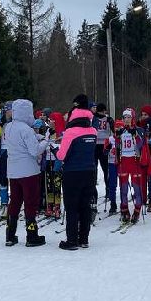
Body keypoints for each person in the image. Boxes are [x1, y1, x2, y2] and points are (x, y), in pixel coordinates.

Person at [3, 99, 49, 247]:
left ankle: (10, 234)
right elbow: (35, 150)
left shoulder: (8, 127)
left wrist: (37, 137)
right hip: (29, 171)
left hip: (13, 171)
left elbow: (21, 142)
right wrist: (46, 141)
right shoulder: (26, 129)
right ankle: (32, 235)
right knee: (30, 202)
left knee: (15, 201)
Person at [58, 102, 97, 250]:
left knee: (72, 207)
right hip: (90, 171)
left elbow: (62, 155)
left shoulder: (70, 132)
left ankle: (72, 240)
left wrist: (55, 150)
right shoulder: (93, 131)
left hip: (73, 173)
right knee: (85, 206)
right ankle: (84, 239)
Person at [117, 108, 150, 223]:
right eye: (124, 117)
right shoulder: (121, 130)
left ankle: (137, 210)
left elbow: (140, 145)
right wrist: (117, 137)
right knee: (123, 188)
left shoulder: (139, 130)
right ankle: (124, 209)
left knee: (137, 188)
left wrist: (135, 135)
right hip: (123, 162)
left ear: (133, 118)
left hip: (135, 162)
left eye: (129, 117)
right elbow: (117, 146)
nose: (126, 119)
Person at [92, 102, 114, 210]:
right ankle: (98, 189)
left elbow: (113, 131)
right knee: (100, 168)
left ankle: (107, 189)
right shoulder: (95, 118)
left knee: (103, 168)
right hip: (98, 145)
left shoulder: (105, 119)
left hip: (101, 145)